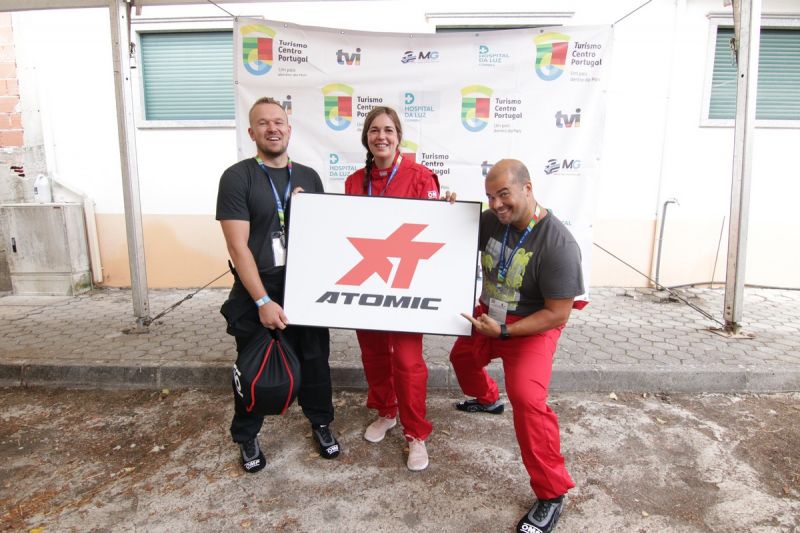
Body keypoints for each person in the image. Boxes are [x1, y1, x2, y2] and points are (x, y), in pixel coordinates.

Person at [449, 159, 584, 533]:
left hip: (531, 328)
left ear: (528, 188)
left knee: (527, 400)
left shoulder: (559, 244)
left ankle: (551, 493)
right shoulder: (493, 220)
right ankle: (488, 399)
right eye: (490, 196)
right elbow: (448, 235)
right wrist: (448, 209)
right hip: (489, 316)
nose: (496, 204)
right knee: (461, 359)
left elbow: (558, 314)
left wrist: (506, 332)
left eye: (503, 194)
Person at [216, 97, 340, 474]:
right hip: (260, 290)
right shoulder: (237, 177)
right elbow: (238, 247)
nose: (272, 128)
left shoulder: (309, 177)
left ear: (289, 129)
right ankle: (247, 435)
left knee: (316, 364)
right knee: (254, 369)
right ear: (251, 132)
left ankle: (321, 423)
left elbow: (323, 234)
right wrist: (262, 301)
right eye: (263, 123)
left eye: (278, 122)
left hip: (305, 288)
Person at [344, 106, 451, 471]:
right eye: (374, 130)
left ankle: (416, 433)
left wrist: (449, 209)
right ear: (366, 138)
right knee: (373, 355)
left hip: (407, 283)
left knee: (407, 362)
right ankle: (387, 412)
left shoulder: (421, 177)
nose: (381, 136)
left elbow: (436, 229)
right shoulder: (354, 182)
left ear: (399, 136)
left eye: (388, 130)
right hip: (369, 278)